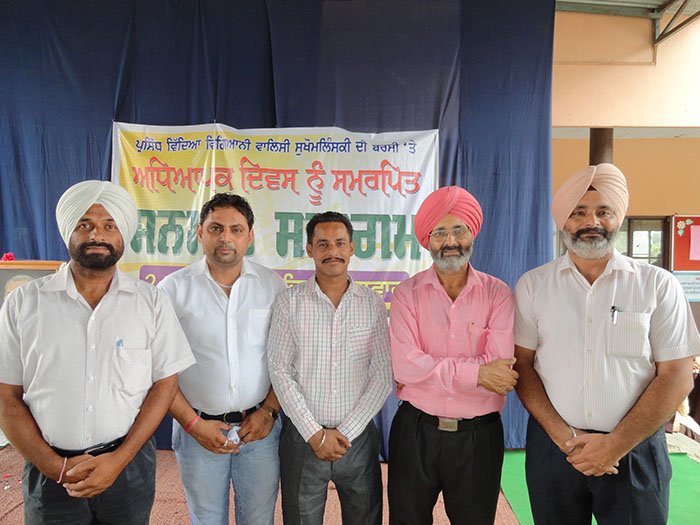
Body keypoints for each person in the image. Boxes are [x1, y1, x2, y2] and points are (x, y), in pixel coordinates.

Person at [514, 163, 700, 525]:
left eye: (604, 211)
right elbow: (522, 365)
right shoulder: (534, 286)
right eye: (579, 212)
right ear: (563, 220)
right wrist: (566, 438)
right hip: (556, 449)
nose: (592, 222)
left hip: (635, 450)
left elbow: (677, 375)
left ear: (619, 218)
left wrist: (615, 444)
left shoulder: (657, 285)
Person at [0, 180, 195, 524]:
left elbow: (165, 384)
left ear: (123, 235)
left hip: (129, 468)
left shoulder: (150, 302)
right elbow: (6, 396)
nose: (97, 235)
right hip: (49, 472)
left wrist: (118, 460)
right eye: (85, 224)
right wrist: (56, 467)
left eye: (109, 226)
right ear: (68, 231)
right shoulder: (23, 304)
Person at [388, 186, 517, 524]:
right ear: (427, 240)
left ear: (472, 233)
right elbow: (405, 366)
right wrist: (477, 374)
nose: (450, 241)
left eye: (459, 229)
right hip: (416, 431)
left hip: (479, 436)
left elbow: (500, 370)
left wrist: (430, 370)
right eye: (440, 232)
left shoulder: (498, 294)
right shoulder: (406, 294)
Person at [158, 192, 286, 525]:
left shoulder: (272, 287)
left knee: (259, 519)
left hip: (260, 429)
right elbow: (160, 370)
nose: (225, 238)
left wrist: (269, 411)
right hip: (197, 431)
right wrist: (193, 424)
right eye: (216, 228)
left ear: (250, 236)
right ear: (200, 233)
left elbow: (287, 359)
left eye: (236, 229)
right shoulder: (172, 290)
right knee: (206, 519)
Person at [267, 211, 392, 525]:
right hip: (303, 438)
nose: (332, 251)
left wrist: (345, 433)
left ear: (352, 248)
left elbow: (381, 376)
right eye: (322, 244)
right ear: (310, 249)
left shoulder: (372, 304)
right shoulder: (289, 302)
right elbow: (280, 371)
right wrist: (314, 434)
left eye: (339, 243)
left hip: (358, 439)